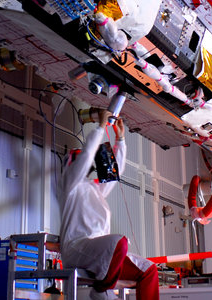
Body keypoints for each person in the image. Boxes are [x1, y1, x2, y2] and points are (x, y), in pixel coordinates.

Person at [57, 110, 159, 299]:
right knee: (120, 242)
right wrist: (100, 127)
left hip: (102, 255)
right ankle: (102, 289)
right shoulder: (69, 186)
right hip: (78, 249)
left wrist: (120, 139)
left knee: (149, 270)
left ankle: (106, 282)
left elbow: (112, 174)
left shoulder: (94, 189)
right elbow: (87, 155)